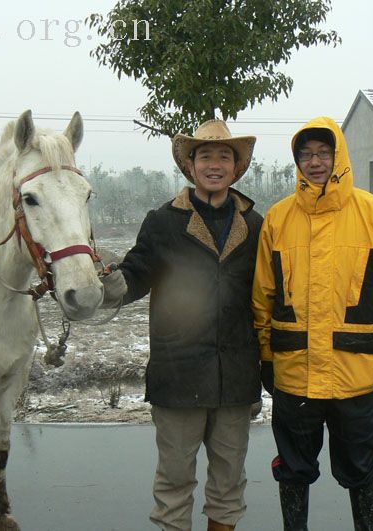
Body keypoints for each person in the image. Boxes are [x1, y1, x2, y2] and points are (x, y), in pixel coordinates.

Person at [251, 117, 373, 531]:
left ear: (339, 157)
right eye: (306, 155)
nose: (315, 162)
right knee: (292, 471)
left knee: (362, 471)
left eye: (323, 153)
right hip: (294, 380)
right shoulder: (278, 219)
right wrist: (265, 355)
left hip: (355, 380)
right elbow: (263, 297)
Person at [100, 119, 264, 531]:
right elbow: (137, 275)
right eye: (204, 155)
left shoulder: (257, 225)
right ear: (190, 166)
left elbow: (269, 295)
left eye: (223, 156)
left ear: (236, 166)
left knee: (229, 485)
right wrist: (110, 281)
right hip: (178, 374)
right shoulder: (162, 221)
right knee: (174, 483)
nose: (214, 164)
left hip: (236, 378)